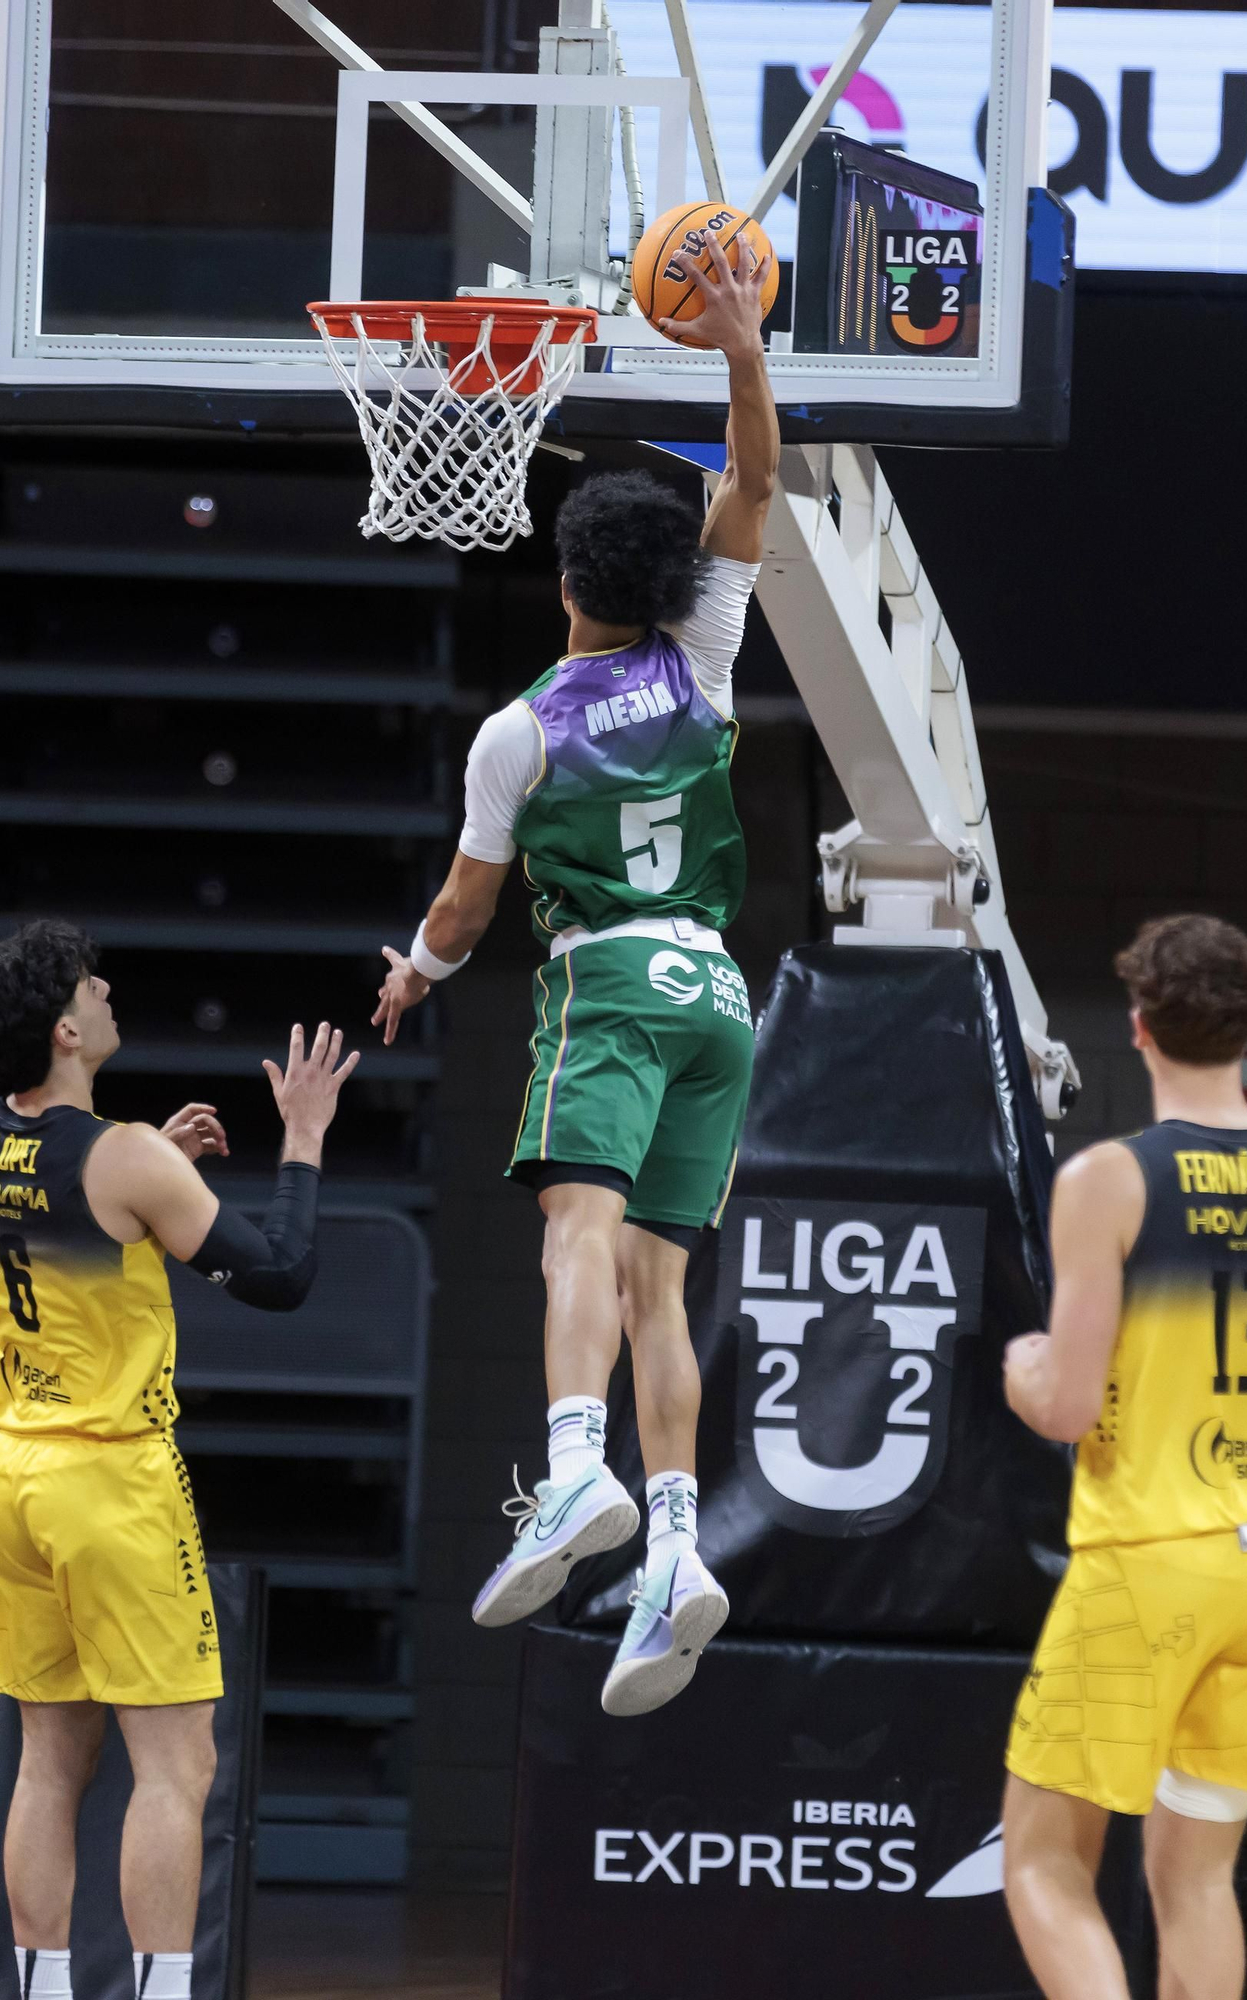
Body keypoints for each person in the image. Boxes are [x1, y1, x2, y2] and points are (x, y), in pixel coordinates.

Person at [373, 232, 779, 1718]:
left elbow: (471, 915)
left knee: (574, 1243)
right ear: (670, 577)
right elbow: (756, 487)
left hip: (609, 986)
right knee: (657, 1285)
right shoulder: (710, 653)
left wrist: (416, 970)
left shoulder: (520, 730)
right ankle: (675, 1547)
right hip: (721, 1000)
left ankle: (572, 1473)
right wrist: (740, 346)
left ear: (562, 577)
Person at [0, 919, 357, 2000]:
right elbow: (279, 1275)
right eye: (90, 981)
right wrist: (303, 1133)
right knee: (177, 1765)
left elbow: (60, 1194)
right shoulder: (121, 1156)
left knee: (49, 1759)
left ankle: (42, 1989)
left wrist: (150, 1167)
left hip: (12, 1477)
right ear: (68, 1028)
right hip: (110, 1480)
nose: (109, 986)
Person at [1002, 914, 1247, 2000]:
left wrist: (1021, 1364)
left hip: (1153, 1558)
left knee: (1044, 1862)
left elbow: (1062, 1404)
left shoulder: (1110, 1178)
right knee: (1194, 1878)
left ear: (1137, 1027)